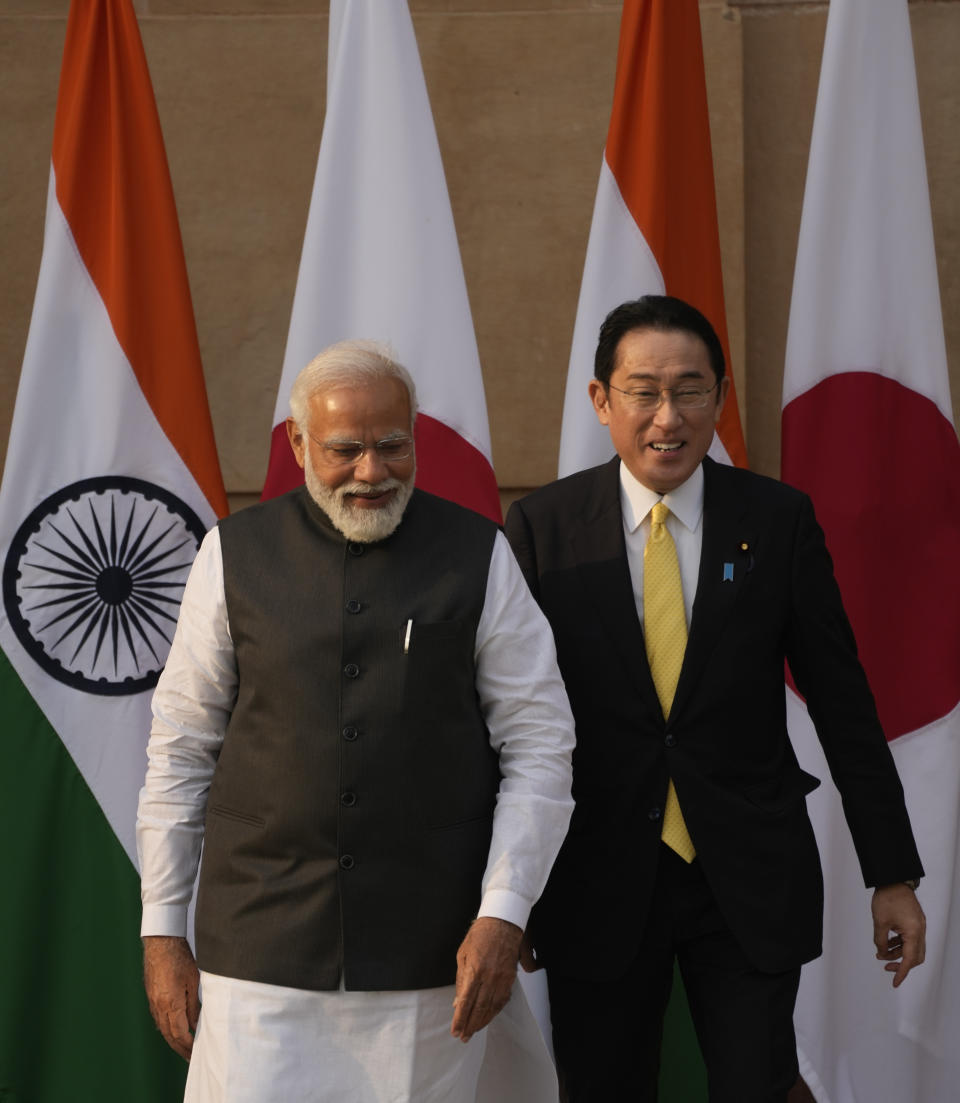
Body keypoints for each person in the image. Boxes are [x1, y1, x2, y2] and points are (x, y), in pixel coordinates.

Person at [504, 296, 926, 1102]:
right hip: (595, 880)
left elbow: (844, 706)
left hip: (745, 878)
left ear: (720, 398)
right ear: (601, 400)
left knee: (757, 1086)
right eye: (643, 391)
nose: (668, 416)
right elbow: (509, 725)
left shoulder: (777, 521)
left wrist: (893, 873)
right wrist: (509, 892)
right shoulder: (543, 529)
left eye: (690, 390)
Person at [137, 339, 575, 1103]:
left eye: (392, 446)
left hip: (430, 961)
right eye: (345, 449)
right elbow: (180, 750)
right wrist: (163, 929)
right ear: (301, 443)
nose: (371, 471)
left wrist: (504, 912)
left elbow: (541, 745)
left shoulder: (478, 555)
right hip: (258, 959)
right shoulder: (231, 555)